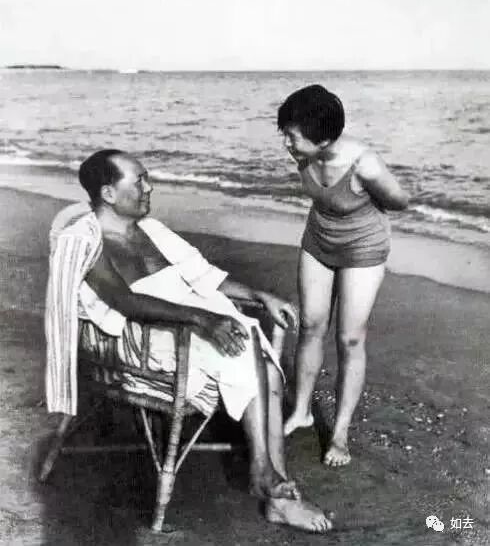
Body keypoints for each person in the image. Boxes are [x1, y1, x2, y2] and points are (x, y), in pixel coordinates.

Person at [45, 148, 332, 533]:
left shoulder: (152, 231)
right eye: (139, 181)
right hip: (144, 337)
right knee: (245, 347)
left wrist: (258, 295)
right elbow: (124, 301)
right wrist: (203, 318)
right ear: (109, 193)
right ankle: (266, 476)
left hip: (189, 320)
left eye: (147, 178)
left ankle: (273, 486)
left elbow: (204, 276)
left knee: (263, 363)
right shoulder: (87, 240)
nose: (149, 187)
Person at [278, 84, 409, 466]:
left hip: (363, 248)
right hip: (318, 240)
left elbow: (400, 201)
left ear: (322, 139)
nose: (286, 143)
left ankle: (339, 434)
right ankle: (302, 412)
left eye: (292, 136)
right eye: (285, 133)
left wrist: (366, 192)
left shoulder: (364, 163)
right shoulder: (304, 153)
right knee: (310, 324)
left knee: (350, 338)